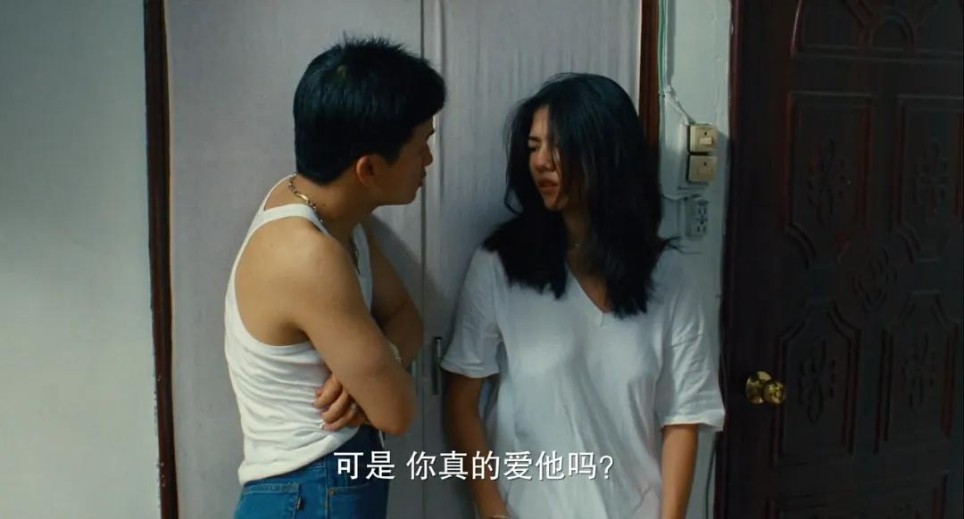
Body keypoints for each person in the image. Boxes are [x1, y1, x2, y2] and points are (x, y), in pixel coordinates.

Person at [441, 73, 725, 519]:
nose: (541, 162)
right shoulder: (501, 264)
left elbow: (683, 416)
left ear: (607, 153)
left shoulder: (667, 276)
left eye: (557, 146)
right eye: (533, 146)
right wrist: (493, 512)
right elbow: (461, 404)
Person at [224, 37, 445, 519]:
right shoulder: (307, 254)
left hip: (323, 483)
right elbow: (396, 412)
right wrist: (378, 379)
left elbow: (406, 317)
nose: (428, 161)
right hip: (311, 488)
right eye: (421, 146)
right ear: (369, 168)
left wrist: (377, 364)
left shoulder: (330, 212)